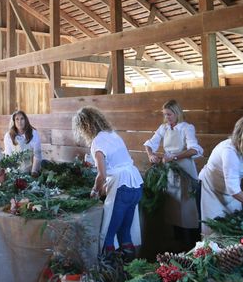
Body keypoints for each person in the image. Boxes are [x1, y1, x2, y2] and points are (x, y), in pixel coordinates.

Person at [72, 106, 143, 256]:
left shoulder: (97, 142)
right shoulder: (112, 134)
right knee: (125, 233)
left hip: (121, 186)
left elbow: (102, 175)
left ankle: (109, 272)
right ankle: (128, 269)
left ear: (85, 127)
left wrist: (95, 190)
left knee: (108, 235)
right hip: (135, 183)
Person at [144, 99, 203, 244]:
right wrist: (151, 155)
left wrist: (174, 156)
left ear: (177, 113)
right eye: (165, 115)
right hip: (169, 171)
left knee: (187, 205)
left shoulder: (186, 128)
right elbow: (149, 144)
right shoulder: (163, 128)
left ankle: (192, 242)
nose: (166, 118)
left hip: (185, 171)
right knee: (173, 205)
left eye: (169, 114)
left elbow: (194, 149)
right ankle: (178, 242)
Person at [3, 110, 43, 176]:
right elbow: (8, 155)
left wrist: (34, 172)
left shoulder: (33, 133)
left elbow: (37, 154)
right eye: (17, 119)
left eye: (22, 119)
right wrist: (10, 173)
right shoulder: (8, 136)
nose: (19, 122)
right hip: (15, 171)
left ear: (25, 120)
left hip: (30, 170)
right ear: (14, 122)